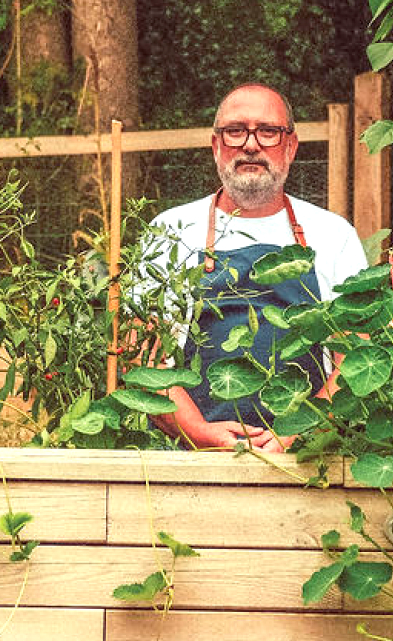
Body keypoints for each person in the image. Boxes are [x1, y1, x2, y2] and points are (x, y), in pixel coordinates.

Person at [142, 84, 369, 452]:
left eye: (268, 131)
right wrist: (198, 433)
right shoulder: (170, 231)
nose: (251, 144)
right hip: (193, 464)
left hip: (306, 464)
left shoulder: (333, 235)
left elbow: (356, 361)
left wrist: (300, 435)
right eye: (236, 131)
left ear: (291, 146)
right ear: (216, 145)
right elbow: (147, 360)